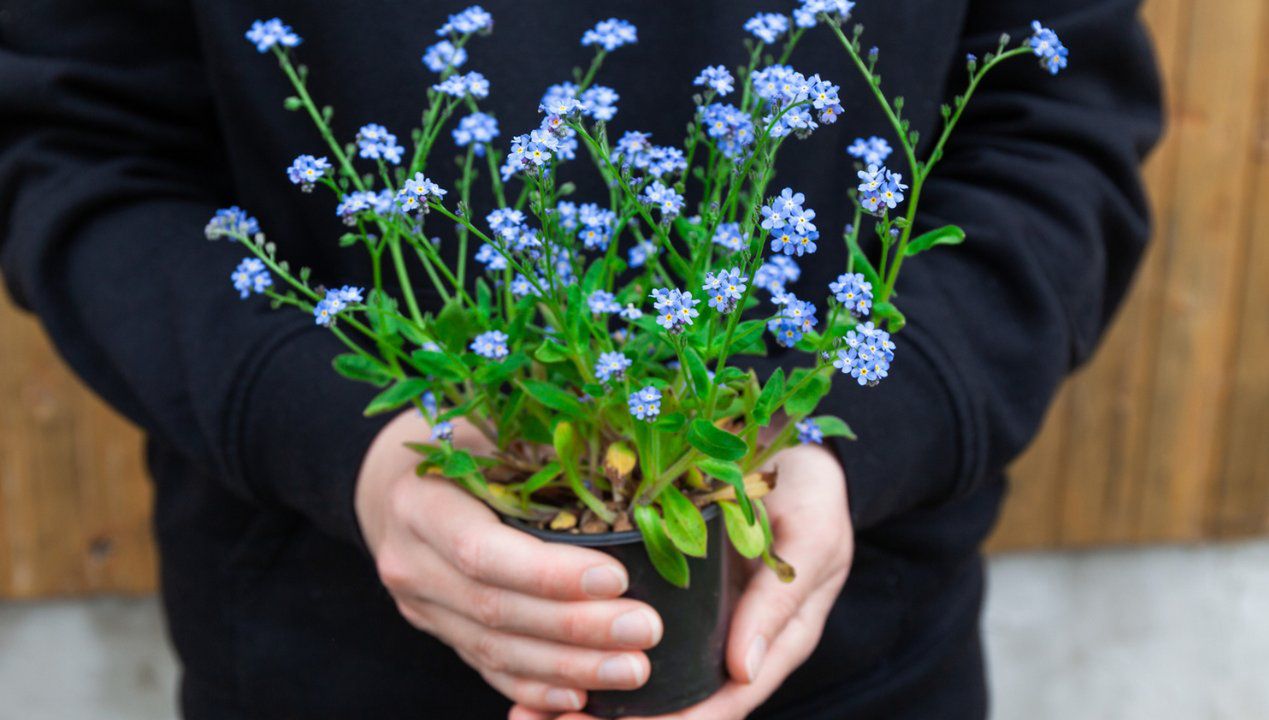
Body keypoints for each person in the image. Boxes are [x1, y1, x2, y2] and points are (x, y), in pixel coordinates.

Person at [0, 1, 1161, 718]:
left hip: (852, 672)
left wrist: (868, 429)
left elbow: (1055, 135)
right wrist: (336, 439)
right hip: (321, 662)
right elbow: (78, 152)